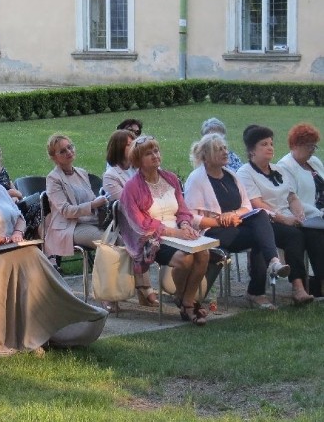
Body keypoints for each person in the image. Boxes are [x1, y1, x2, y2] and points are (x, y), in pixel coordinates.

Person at [0, 142, 107, 353]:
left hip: (10, 249)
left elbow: (19, 217)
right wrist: (0, 240)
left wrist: (18, 234)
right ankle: (13, 337)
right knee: (13, 262)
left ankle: (63, 318)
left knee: (32, 255)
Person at [184, 133, 289, 310]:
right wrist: (220, 221)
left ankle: (273, 263)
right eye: (219, 149)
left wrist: (233, 214)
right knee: (260, 236)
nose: (225, 152)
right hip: (211, 231)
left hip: (235, 224)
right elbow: (191, 218)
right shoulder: (196, 179)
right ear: (206, 156)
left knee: (261, 216)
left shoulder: (231, 175)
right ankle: (256, 293)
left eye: (225, 148)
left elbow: (247, 206)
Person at [119, 136, 210, 324]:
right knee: (185, 259)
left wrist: (184, 224)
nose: (154, 156)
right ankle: (188, 305)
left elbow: (183, 210)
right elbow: (139, 224)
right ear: (137, 160)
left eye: (156, 151)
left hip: (178, 232)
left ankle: (185, 299)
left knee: (204, 254)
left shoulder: (170, 179)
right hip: (150, 240)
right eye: (148, 153)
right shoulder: (131, 187)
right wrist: (175, 233)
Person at [236, 125, 317, 304]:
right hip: (262, 220)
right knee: (294, 236)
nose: (270, 147)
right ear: (251, 151)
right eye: (264, 144)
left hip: (287, 218)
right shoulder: (245, 173)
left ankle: (319, 281)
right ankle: (298, 287)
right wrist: (284, 219)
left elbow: (292, 196)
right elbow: (256, 204)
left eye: (271, 143)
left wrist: (299, 214)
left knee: (315, 232)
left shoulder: (277, 169)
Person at [102, 129, 158, 306]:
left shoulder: (140, 169)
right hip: (123, 223)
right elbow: (126, 203)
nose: (135, 145)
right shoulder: (111, 175)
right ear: (119, 148)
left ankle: (170, 287)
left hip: (148, 217)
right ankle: (143, 288)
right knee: (139, 239)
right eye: (129, 144)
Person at [44, 134, 107, 265]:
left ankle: (138, 283)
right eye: (62, 151)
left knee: (124, 240)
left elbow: (91, 199)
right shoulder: (53, 179)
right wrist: (93, 204)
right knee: (108, 243)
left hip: (91, 221)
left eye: (70, 147)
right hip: (70, 227)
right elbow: (66, 211)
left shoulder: (81, 173)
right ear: (54, 157)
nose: (69, 152)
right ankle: (107, 282)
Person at [277, 123, 324, 218]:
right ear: (295, 145)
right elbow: (292, 201)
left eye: (314, 146)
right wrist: (320, 214)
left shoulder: (315, 162)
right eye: (309, 146)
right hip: (311, 218)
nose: (312, 150)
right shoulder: (285, 166)